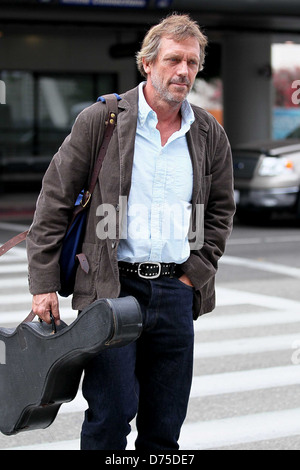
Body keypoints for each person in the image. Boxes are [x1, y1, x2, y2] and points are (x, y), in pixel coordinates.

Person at [27, 13, 235, 450]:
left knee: (164, 425)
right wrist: (44, 284)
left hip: (176, 290)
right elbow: (54, 200)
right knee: (110, 417)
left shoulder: (208, 133)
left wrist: (193, 274)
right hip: (111, 289)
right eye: (174, 60)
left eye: (192, 63)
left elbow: (220, 212)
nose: (183, 71)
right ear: (147, 63)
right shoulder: (102, 120)